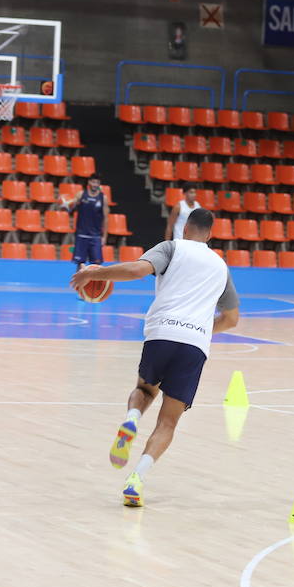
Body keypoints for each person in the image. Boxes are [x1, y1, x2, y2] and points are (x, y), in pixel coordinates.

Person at [67, 208, 240, 507]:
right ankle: (136, 479)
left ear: (185, 229)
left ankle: (132, 419)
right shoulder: (221, 266)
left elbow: (135, 270)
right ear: (210, 235)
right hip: (195, 343)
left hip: (161, 332)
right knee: (168, 422)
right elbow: (232, 318)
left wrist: (93, 272)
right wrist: (201, 332)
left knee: (145, 390)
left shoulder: (172, 247)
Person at [62, 176, 109, 269]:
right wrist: (66, 204)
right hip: (81, 234)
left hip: (96, 236)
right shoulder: (81, 194)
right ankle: (78, 283)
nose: (95, 185)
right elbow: (70, 207)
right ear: (89, 182)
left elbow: (106, 218)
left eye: (97, 183)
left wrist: (104, 237)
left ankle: (96, 283)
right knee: (80, 263)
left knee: (96, 265)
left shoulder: (103, 198)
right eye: (93, 182)